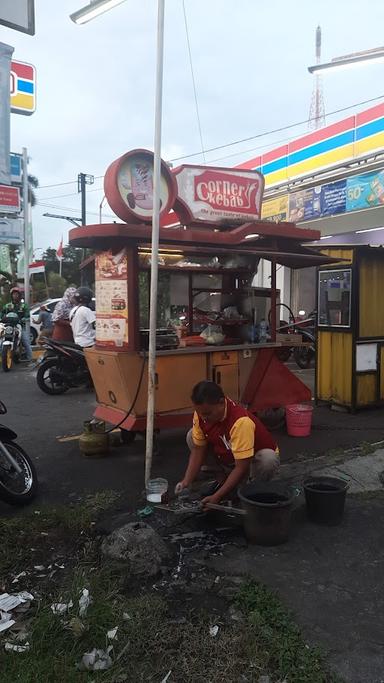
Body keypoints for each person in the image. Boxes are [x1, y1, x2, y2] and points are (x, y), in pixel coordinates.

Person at [175, 380, 280, 509]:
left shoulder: (241, 422)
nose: (204, 418)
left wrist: (217, 497)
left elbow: (241, 467)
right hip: (230, 457)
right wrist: (186, 481)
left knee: (267, 459)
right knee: (192, 436)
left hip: (251, 463)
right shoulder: (201, 413)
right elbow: (198, 450)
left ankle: (250, 492)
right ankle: (222, 481)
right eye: (200, 413)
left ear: (221, 403)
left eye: (207, 414)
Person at [1, 287, 32, 362]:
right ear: (11, 295)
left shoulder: (23, 306)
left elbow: (27, 315)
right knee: (1, 338)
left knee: (26, 341)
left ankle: (30, 359)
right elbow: (2, 313)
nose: (15, 296)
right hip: (8, 325)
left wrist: (25, 318)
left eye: (16, 294)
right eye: (14, 294)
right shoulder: (8, 305)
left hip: (19, 325)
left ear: (19, 295)